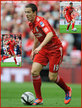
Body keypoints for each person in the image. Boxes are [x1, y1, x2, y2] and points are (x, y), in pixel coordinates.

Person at [25, 3, 72, 105]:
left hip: (55, 49)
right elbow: (37, 36)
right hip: (45, 49)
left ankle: (67, 89)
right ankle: (39, 98)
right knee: (34, 71)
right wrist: (34, 50)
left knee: (52, 78)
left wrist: (39, 47)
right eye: (25, 12)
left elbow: (50, 34)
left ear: (34, 12)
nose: (26, 14)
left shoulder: (41, 22)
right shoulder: (30, 23)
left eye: (28, 12)